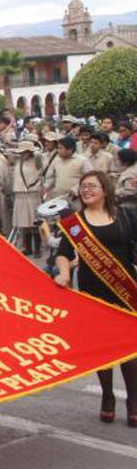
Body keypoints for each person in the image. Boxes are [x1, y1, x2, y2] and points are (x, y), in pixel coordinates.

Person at [55, 171, 137, 426]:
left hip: (126, 289)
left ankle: (133, 400)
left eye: (92, 186)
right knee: (104, 348)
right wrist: (64, 273)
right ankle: (108, 396)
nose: (86, 190)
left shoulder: (124, 215)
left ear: (105, 188)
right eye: (83, 187)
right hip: (93, 291)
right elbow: (63, 253)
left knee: (130, 349)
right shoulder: (75, 222)